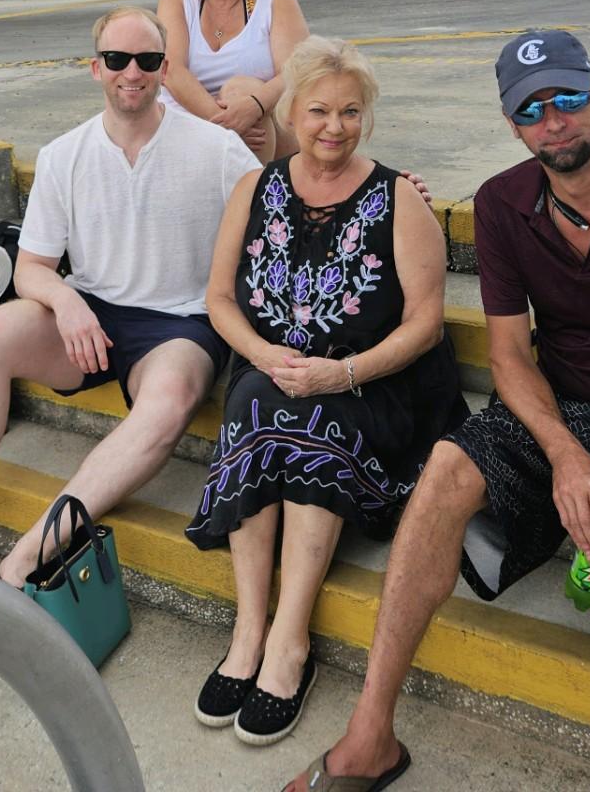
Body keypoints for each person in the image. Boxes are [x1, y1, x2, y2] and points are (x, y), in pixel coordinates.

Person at [283, 30, 590, 792]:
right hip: (562, 408)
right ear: (512, 123)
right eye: (532, 108)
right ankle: (370, 734)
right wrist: (567, 453)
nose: (555, 119)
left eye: (569, 98)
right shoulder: (502, 204)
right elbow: (510, 356)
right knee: (446, 467)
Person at [187, 37, 468, 747]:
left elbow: (426, 325)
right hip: (276, 365)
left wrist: (339, 372)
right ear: (291, 111)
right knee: (255, 402)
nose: (333, 127)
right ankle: (247, 629)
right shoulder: (257, 187)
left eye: (349, 112)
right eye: (317, 111)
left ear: (366, 117)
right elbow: (220, 298)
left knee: (316, 418)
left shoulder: (398, 196)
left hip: (373, 381)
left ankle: (290, 641)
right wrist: (263, 352)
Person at [0, 6, 260, 587]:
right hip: (91, 313)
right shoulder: (64, 154)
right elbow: (31, 267)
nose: (131, 72)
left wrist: (388, 188)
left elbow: (287, 207)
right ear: (95, 68)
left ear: (164, 69)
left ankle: (27, 556)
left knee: (171, 397)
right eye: (117, 59)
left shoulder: (217, 149)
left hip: (179, 323)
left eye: (148, 60)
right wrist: (66, 300)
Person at [157, 0, 309, 161]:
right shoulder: (176, 1)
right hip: (190, 123)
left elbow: (296, 72)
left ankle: (252, 197)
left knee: (241, 90)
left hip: (262, 125)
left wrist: (252, 106)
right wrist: (226, 123)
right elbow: (172, 72)